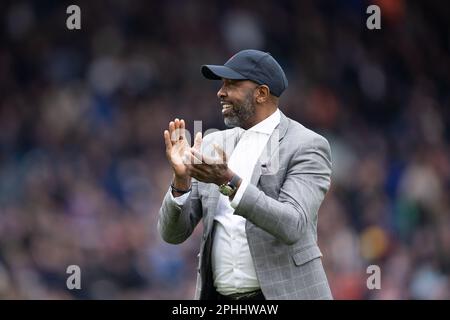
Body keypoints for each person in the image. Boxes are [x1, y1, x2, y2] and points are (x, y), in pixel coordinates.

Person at [158, 49, 333, 300]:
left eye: (232, 84)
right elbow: (172, 235)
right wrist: (181, 180)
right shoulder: (212, 143)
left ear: (261, 93)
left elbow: (292, 224)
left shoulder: (306, 145)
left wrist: (228, 181)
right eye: (221, 84)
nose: (221, 92)